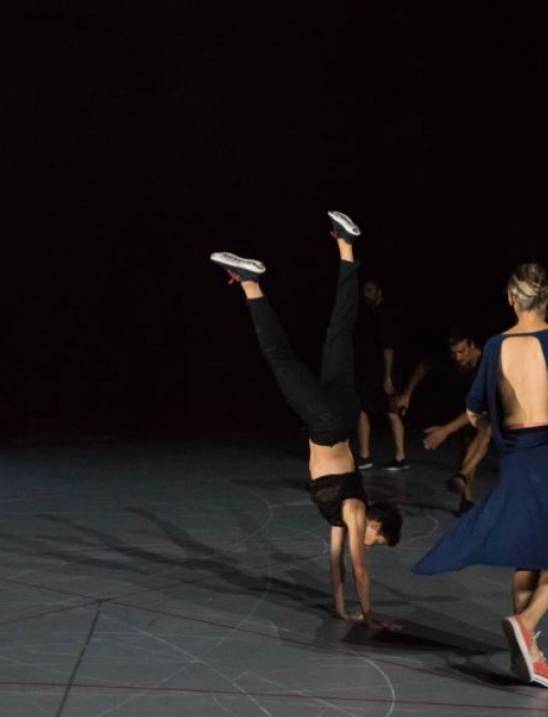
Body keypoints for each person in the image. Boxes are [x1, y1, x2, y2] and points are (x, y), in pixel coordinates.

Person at [412, 263, 548, 689]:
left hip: (519, 456)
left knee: (529, 553)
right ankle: (526, 625)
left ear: (510, 298)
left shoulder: (493, 346)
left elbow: (474, 410)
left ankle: (525, 658)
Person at [211, 211, 402, 630]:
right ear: (375, 524)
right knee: (280, 358)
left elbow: (334, 564)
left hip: (342, 414)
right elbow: (359, 570)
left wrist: (340, 608)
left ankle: (347, 246)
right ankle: (249, 281)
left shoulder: (344, 516)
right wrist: (371, 619)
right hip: (328, 421)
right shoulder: (354, 512)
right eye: (378, 540)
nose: (371, 546)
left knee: (339, 331)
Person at [393, 328, 493, 514]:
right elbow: (424, 365)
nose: (457, 357)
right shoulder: (450, 358)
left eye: (461, 352)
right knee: (466, 445)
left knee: (486, 429)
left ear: (473, 346)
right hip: (469, 403)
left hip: (498, 405)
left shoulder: (487, 364)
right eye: (454, 353)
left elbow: (476, 411)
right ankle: (466, 500)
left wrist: (445, 431)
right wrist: (407, 393)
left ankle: (462, 475)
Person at [355, 278, 408, 471]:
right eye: (364, 290)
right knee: (362, 410)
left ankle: (401, 458)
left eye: (369, 290)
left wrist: (387, 377)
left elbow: (388, 348)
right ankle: (365, 456)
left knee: (392, 411)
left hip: (386, 374)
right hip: (371, 373)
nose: (366, 294)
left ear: (379, 291)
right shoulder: (370, 314)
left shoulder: (385, 314)